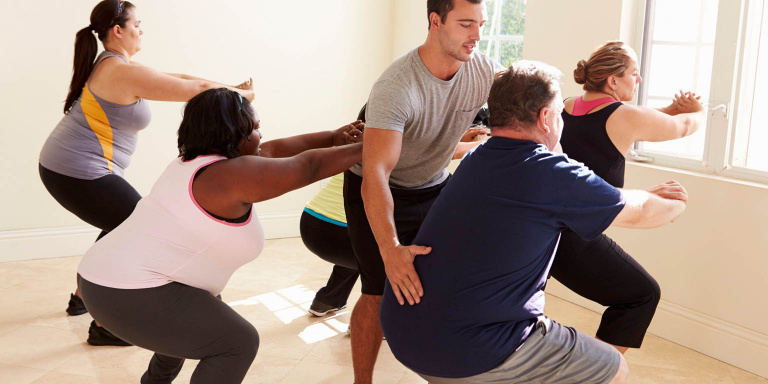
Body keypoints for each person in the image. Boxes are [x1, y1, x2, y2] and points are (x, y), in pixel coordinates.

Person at [380, 60, 689, 384]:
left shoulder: (476, 159)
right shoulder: (547, 169)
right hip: (470, 347)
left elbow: (609, 196)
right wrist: (676, 203)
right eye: (559, 115)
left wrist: (633, 194)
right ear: (545, 118)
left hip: (406, 334)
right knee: (612, 367)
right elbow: (642, 212)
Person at [76, 88, 362, 384]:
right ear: (232, 133)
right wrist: (374, 144)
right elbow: (308, 166)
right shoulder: (227, 176)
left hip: (99, 279)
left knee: (204, 313)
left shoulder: (195, 163)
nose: (261, 135)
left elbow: (272, 151)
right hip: (123, 293)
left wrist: (332, 138)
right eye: (255, 128)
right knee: (236, 342)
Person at [38, 0, 254, 345]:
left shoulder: (117, 65)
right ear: (118, 30)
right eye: (137, 24)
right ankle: (106, 325)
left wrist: (230, 87)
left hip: (70, 167)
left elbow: (182, 78)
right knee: (135, 226)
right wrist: (241, 95)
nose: (142, 30)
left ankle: (83, 296)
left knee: (122, 223)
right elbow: (194, 91)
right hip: (75, 169)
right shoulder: (120, 71)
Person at [343, 1, 502, 380]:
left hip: (433, 184)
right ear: (436, 22)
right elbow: (377, 173)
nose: (477, 35)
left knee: (453, 280)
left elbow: (526, 101)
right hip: (380, 188)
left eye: (480, 24)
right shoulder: (397, 85)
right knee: (379, 290)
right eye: (466, 24)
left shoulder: (483, 69)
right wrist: (391, 249)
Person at [550, 40, 706, 353]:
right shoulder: (625, 116)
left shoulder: (565, 106)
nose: (639, 79)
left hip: (542, 231)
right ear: (613, 81)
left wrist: (668, 110)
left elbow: (617, 124)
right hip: (574, 238)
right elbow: (681, 126)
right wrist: (698, 112)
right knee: (642, 294)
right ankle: (597, 373)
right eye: (635, 73)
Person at [304, 106, 488, 317]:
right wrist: (490, 144)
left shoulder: (362, 149)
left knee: (368, 247)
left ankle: (327, 299)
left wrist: (461, 138)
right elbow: (436, 153)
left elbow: (428, 148)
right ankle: (378, 318)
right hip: (340, 230)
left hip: (313, 224)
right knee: (393, 257)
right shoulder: (389, 156)